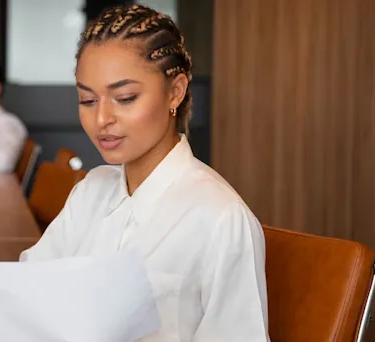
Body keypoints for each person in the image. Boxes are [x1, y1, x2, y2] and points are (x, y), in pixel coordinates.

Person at [19, 5, 270, 341]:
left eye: (125, 98)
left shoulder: (221, 219)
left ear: (175, 92)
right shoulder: (91, 192)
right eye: (87, 100)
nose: (101, 119)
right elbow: (28, 291)